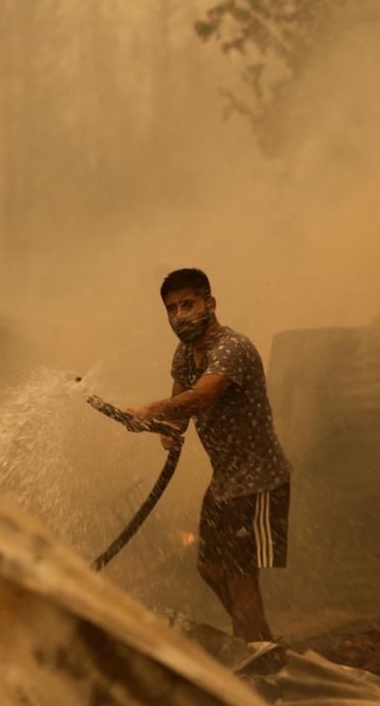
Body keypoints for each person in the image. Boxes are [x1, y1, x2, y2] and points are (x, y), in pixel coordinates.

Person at [127, 268, 292, 645]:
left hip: (259, 481)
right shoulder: (186, 354)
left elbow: (200, 397)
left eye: (188, 304)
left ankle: (252, 667)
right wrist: (167, 431)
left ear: (210, 303)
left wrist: (149, 410)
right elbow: (180, 416)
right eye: (171, 309)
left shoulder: (232, 348)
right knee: (210, 568)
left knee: (240, 574)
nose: (179, 315)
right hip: (225, 483)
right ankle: (264, 648)